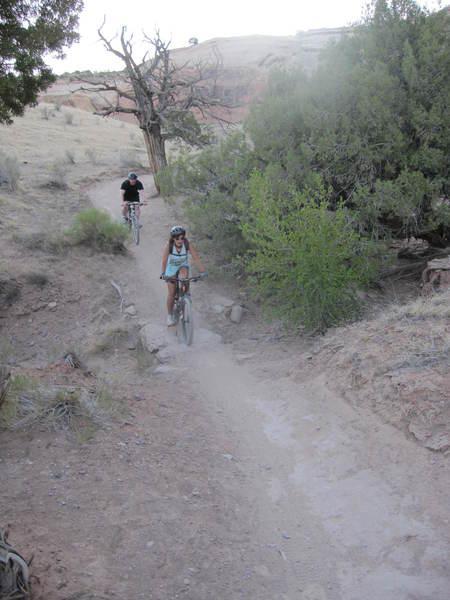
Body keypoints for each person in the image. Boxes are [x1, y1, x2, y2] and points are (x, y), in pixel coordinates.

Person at [161, 226, 207, 326]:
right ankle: (169, 315)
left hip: (182, 265)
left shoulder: (187, 244)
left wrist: (203, 271)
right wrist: (163, 273)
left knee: (185, 278)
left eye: (182, 238)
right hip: (171, 267)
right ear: (173, 238)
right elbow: (164, 260)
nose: (180, 240)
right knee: (171, 293)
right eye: (177, 238)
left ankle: (186, 296)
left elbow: (196, 258)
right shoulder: (169, 245)